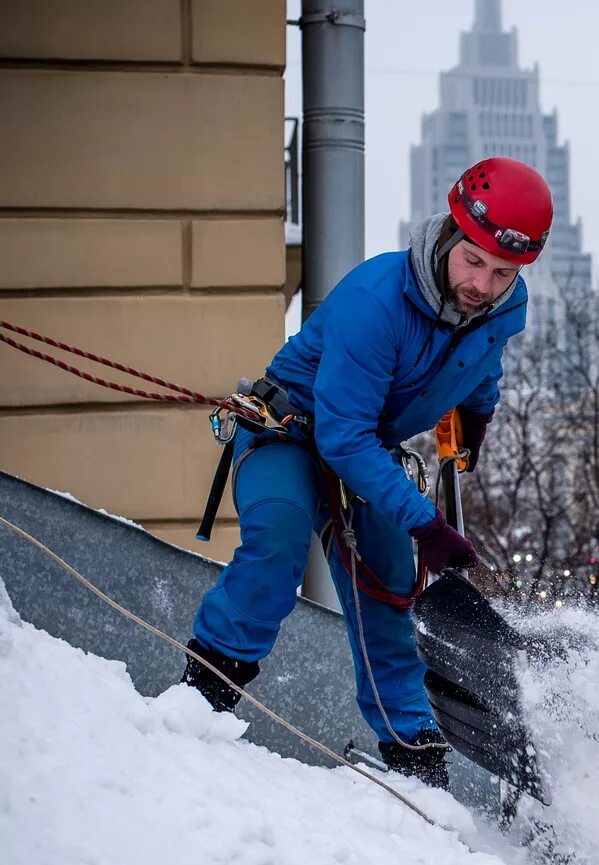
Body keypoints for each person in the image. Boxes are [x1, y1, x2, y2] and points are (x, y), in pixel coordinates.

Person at [178, 157, 553, 789]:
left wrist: (475, 418)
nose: (483, 285)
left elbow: (480, 367)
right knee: (278, 541)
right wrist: (425, 521)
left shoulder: (504, 308)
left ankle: (413, 756)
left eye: (502, 272)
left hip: (365, 456)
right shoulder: (375, 300)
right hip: (292, 436)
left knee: (391, 595)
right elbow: (342, 437)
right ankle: (203, 699)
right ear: (448, 236)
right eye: (473, 262)